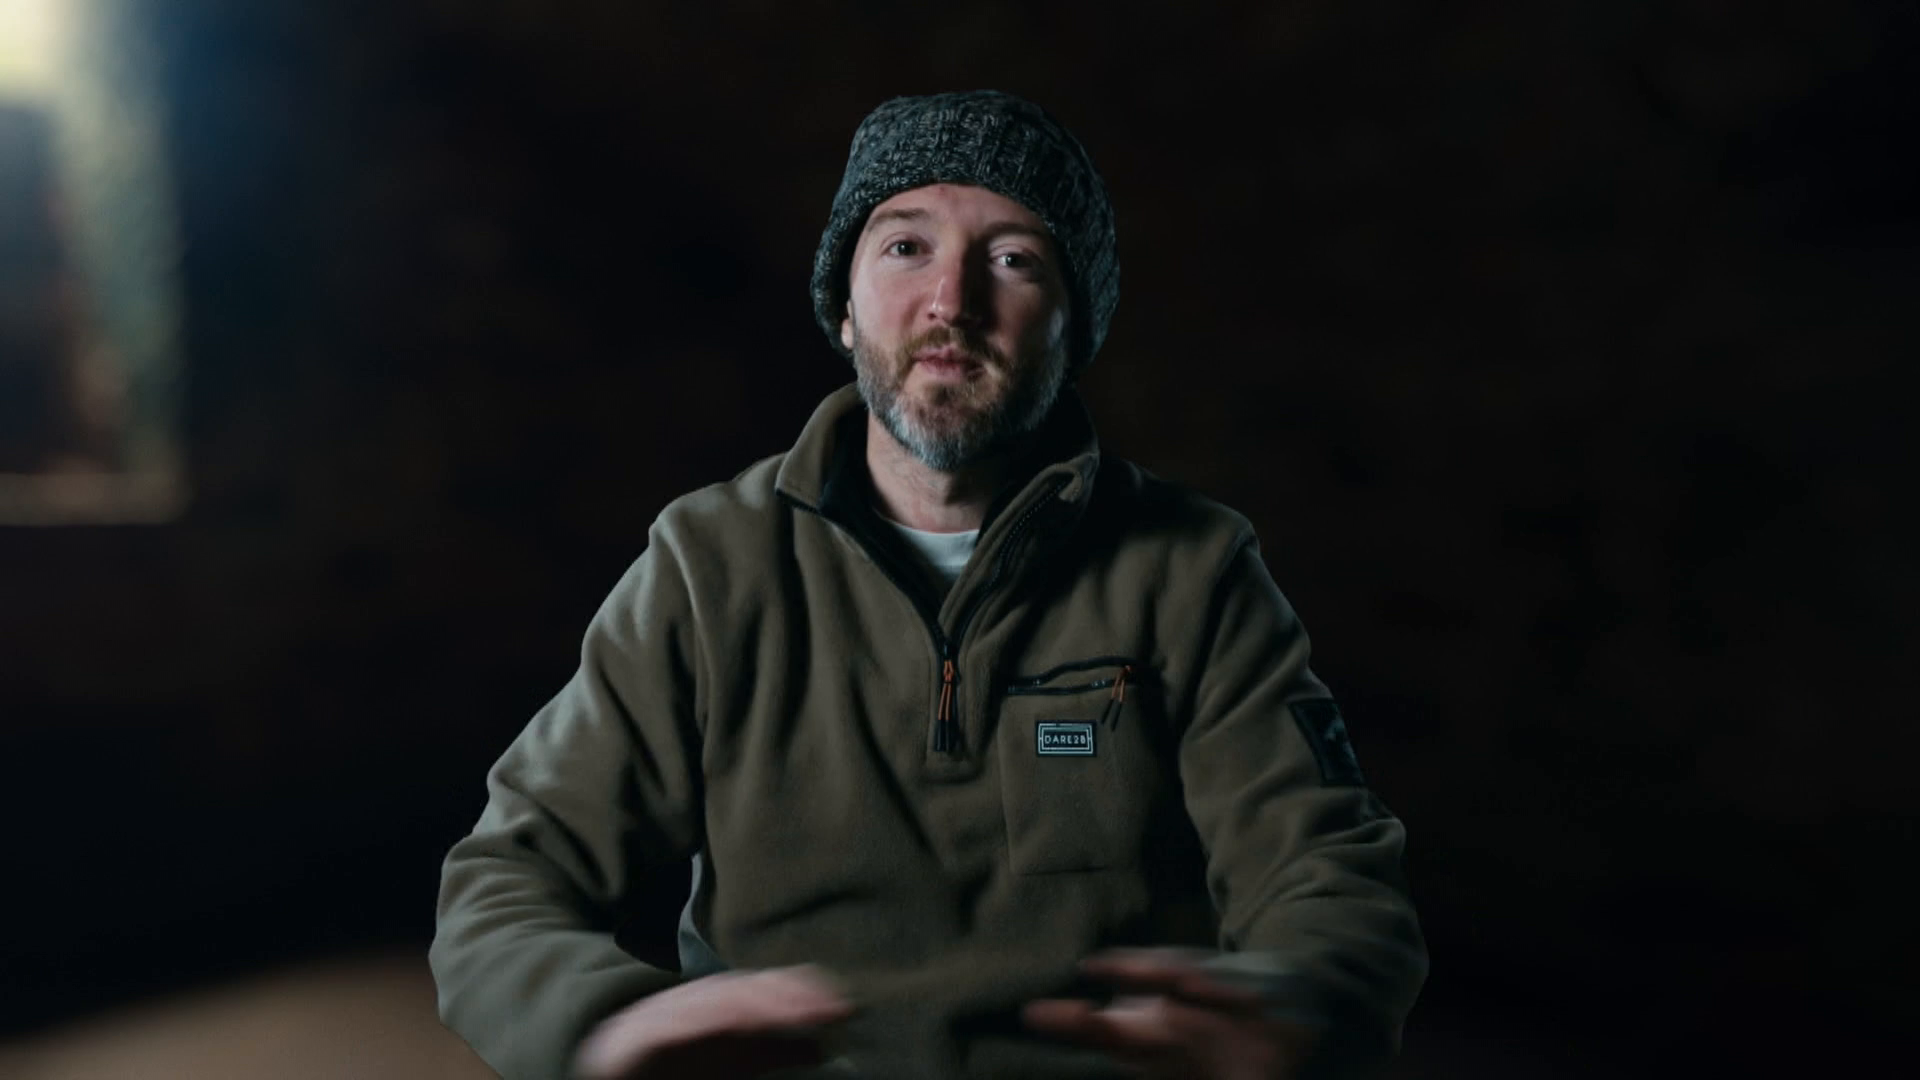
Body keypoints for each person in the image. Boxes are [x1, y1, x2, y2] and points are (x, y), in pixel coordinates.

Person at [431, 89, 1428, 1080]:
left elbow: (1329, 878)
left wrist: (1304, 1012)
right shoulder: (709, 564)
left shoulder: (1192, 568)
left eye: (1013, 259)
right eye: (906, 247)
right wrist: (605, 1027)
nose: (952, 301)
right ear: (844, 307)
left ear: (1071, 327)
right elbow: (504, 882)